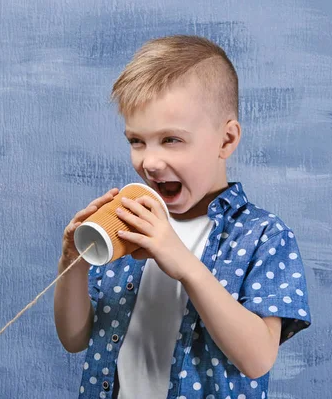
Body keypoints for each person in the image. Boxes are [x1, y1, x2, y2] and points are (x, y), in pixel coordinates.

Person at [54, 35, 311, 399]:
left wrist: (186, 267)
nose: (150, 162)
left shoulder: (262, 235)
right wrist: (73, 264)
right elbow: (75, 338)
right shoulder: (128, 225)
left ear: (225, 140)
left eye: (171, 140)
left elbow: (257, 359)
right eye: (136, 141)